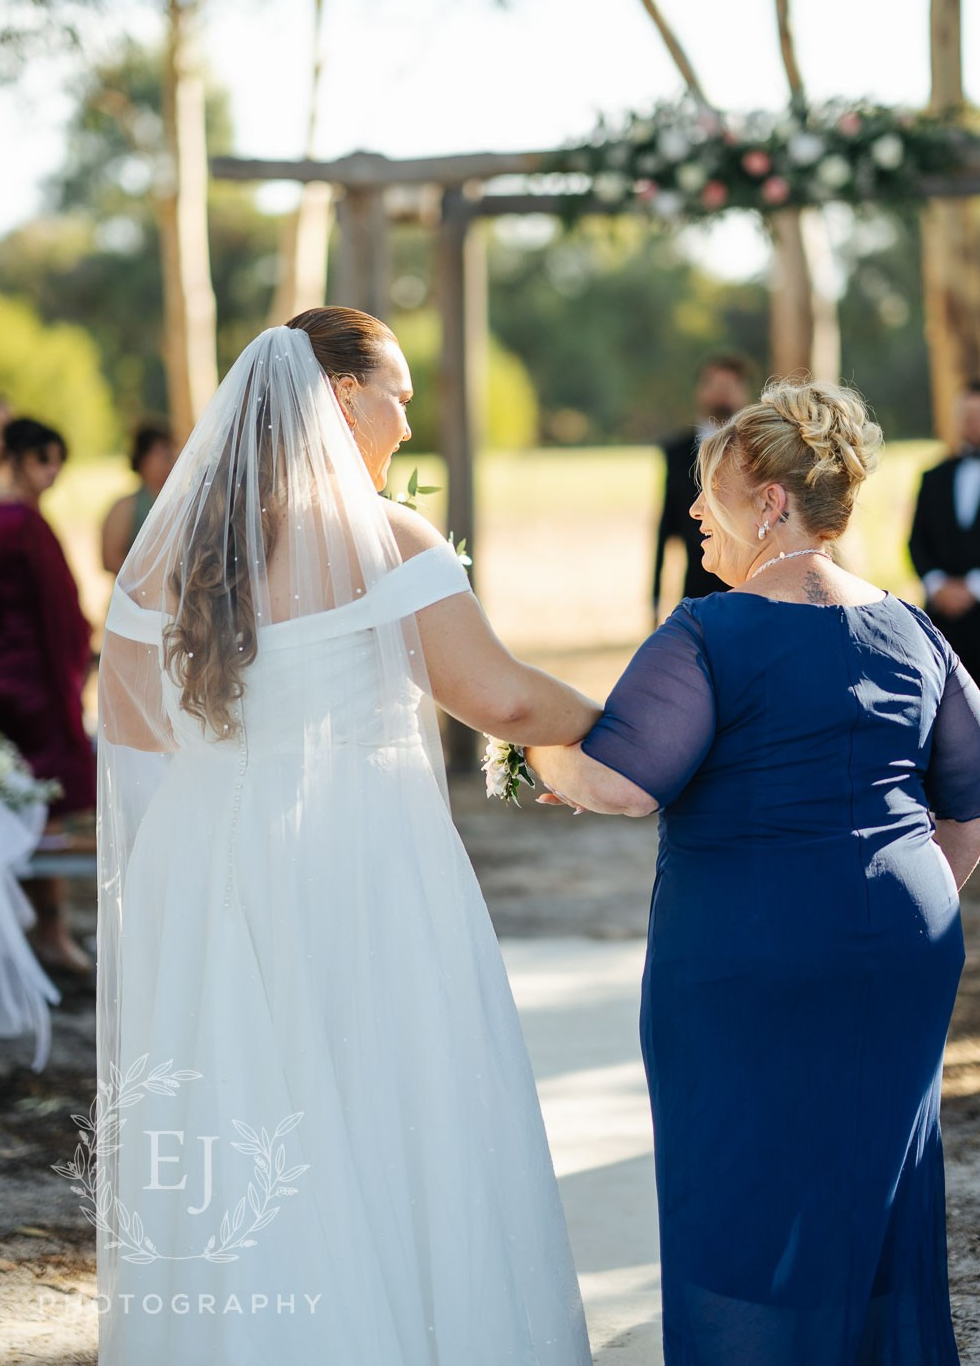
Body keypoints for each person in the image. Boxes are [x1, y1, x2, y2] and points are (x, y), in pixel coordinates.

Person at [96, 309, 597, 1365]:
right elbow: (500, 701)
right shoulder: (385, 540)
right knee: (382, 1100)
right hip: (352, 860)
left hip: (201, 868)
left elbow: (133, 724)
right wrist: (624, 727)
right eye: (397, 396)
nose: (406, 424)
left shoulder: (159, 556)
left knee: (242, 1116)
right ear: (336, 398)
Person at [528, 380, 980, 1366]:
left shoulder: (709, 631)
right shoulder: (914, 629)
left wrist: (534, 754)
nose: (694, 511)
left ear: (770, 502)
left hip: (744, 957)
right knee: (869, 1181)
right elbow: (971, 796)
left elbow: (619, 782)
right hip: (901, 955)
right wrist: (895, 912)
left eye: (709, 492)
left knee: (737, 1183)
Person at [0, 418, 96, 978]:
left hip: (10, 680)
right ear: (14, 458)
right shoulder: (22, 523)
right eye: (42, 459)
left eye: (59, 460)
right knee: (45, 806)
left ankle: (39, 931)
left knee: (22, 807)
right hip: (31, 685)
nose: (52, 472)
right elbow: (57, 608)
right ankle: (51, 930)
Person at [909, 378, 980, 714]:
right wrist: (937, 584)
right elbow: (916, 541)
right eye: (966, 413)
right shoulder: (934, 476)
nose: (973, 421)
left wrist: (976, 587)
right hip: (942, 619)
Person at [651, 353, 753, 620]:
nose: (722, 396)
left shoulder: (760, 451)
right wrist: (655, 598)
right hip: (698, 590)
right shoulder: (676, 452)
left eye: (729, 388)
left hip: (752, 588)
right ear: (700, 391)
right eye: (715, 387)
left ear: (743, 393)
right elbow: (666, 526)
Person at [101, 420, 176, 576]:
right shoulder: (125, 506)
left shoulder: (181, 502)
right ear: (142, 459)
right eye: (160, 454)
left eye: (170, 454)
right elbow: (110, 559)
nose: (169, 460)